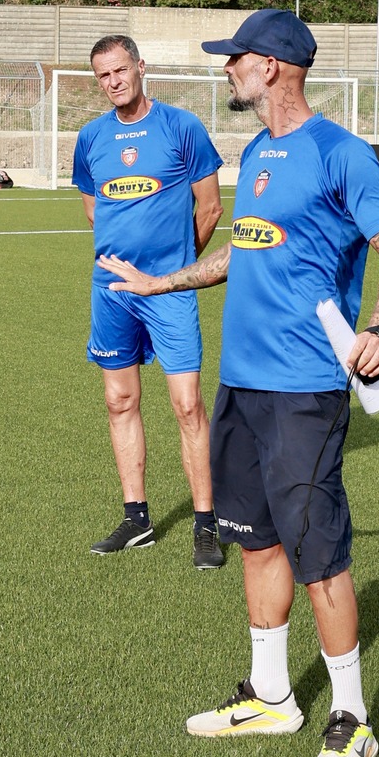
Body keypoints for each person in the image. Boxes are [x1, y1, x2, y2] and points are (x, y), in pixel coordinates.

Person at [98, 9, 379, 757]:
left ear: (271, 66)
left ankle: (352, 716)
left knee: (320, 552)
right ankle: (272, 694)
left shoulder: (342, 154)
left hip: (306, 388)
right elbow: (242, 253)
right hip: (240, 383)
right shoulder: (260, 150)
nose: (226, 69)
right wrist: (161, 281)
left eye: (234, 58)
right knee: (258, 539)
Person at [72, 35, 225, 569]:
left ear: (141, 66)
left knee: (187, 405)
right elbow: (94, 208)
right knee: (120, 402)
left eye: (120, 70)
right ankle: (136, 518)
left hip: (167, 292)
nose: (113, 81)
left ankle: (206, 523)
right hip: (111, 291)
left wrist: (175, 273)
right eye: (102, 75)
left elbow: (209, 209)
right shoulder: (90, 137)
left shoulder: (182, 127)